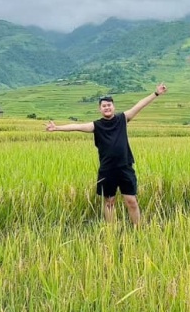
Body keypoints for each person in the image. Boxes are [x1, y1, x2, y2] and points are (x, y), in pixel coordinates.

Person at [45, 83, 167, 225]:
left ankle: (138, 230)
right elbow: (76, 127)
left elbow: (139, 105)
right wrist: (57, 128)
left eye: (109, 105)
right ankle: (111, 231)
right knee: (109, 202)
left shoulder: (123, 118)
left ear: (113, 107)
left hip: (125, 167)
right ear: (100, 109)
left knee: (131, 201)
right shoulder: (96, 125)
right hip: (107, 169)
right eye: (104, 106)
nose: (107, 107)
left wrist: (156, 93)